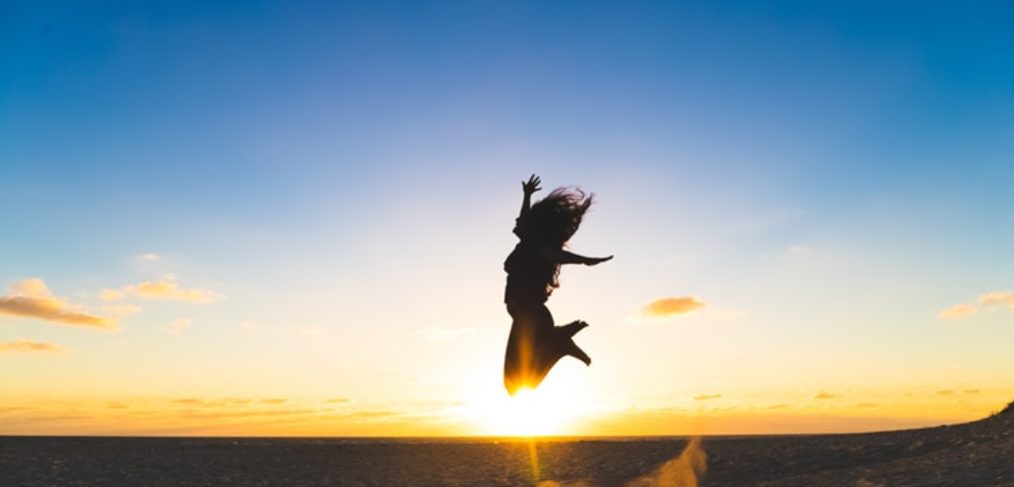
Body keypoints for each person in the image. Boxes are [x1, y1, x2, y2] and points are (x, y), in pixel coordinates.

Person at [503, 174, 613, 395]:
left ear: (533, 228)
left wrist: (585, 260)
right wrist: (526, 196)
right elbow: (524, 222)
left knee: (514, 385)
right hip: (529, 315)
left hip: (530, 314)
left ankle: (560, 343)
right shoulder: (528, 243)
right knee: (517, 384)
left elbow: (556, 255)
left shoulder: (535, 247)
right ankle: (558, 340)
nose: (516, 223)